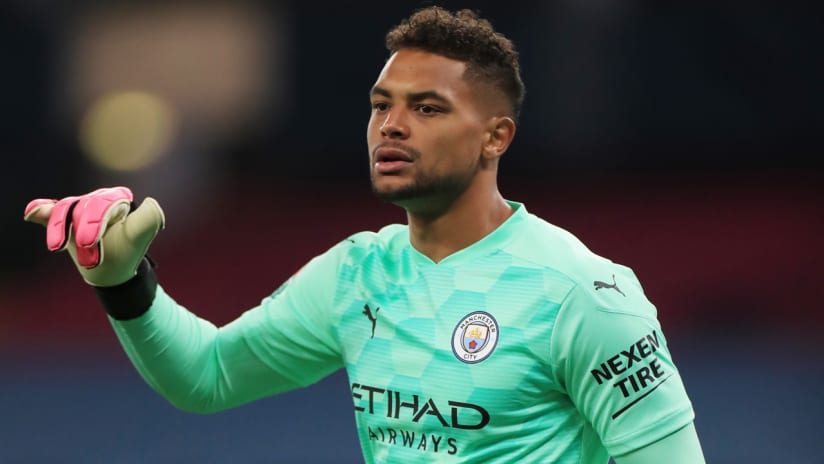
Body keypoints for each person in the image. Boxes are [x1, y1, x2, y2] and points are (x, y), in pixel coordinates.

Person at [24, 7, 705, 463]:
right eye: (382, 105)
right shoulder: (357, 275)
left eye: (427, 107)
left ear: (497, 136)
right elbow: (210, 375)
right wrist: (122, 284)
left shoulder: (582, 293)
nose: (392, 126)